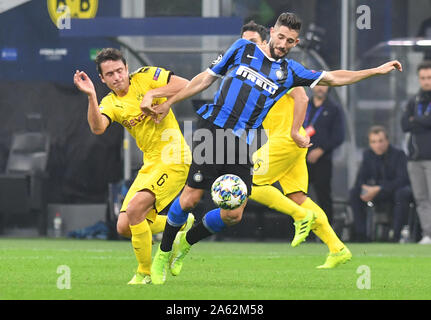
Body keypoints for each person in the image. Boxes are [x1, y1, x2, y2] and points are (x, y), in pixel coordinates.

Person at [145, 12, 402, 285]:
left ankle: (186, 243)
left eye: (290, 40)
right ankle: (162, 254)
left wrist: (374, 71)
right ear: (271, 32)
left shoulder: (291, 71)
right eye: (280, 36)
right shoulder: (243, 48)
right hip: (213, 130)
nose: (283, 43)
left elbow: (334, 78)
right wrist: (168, 102)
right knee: (190, 199)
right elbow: (205, 79)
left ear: (295, 42)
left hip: (242, 141)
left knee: (233, 215)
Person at [73, 48, 194, 285]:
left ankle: (145, 273)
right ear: (102, 79)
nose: (117, 77)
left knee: (137, 208)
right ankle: (180, 226)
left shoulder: (147, 76)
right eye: (110, 74)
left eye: (120, 71)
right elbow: (97, 128)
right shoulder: (111, 102)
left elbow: (187, 84)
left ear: (127, 69)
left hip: (174, 156)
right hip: (151, 162)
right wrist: (90, 96)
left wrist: (153, 95)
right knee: (123, 226)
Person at [241, 21, 351, 268]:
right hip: (289, 141)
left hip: (287, 139)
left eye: (252, 41)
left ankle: (300, 217)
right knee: (299, 196)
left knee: (250, 182)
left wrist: (292, 131)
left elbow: (301, 95)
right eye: (244, 41)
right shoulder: (253, 68)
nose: (248, 46)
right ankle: (337, 248)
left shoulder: (278, 67)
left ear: (264, 39)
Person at [349, 126, 412, 242]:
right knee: (354, 193)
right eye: (373, 142)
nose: (377, 145)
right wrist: (365, 188)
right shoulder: (367, 154)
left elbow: (403, 180)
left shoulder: (399, 155)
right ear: (369, 143)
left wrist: (379, 188)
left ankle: (396, 236)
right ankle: (361, 235)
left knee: (402, 193)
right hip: (375, 192)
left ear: (387, 140)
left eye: (380, 141)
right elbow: (360, 179)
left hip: (392, 191)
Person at [401, 60, 431, 244]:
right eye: (423, 78)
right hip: (414, 158)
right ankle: (428, 234)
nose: (426, 81)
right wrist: (423, 120)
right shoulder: (414, 100)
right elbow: (405, 124)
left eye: (429, 77)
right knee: (421, 199)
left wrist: (417, 120)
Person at [306, 85, 345, 224]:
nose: (320, 88)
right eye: (318, 84)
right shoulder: (304, 104)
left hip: (322, 160)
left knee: (323, 195)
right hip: (300, 159)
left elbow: (339, 136)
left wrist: (321, 150)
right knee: (297, 193)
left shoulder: (334, 109)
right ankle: (296, 229)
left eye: (324, 85)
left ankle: (327, 230)